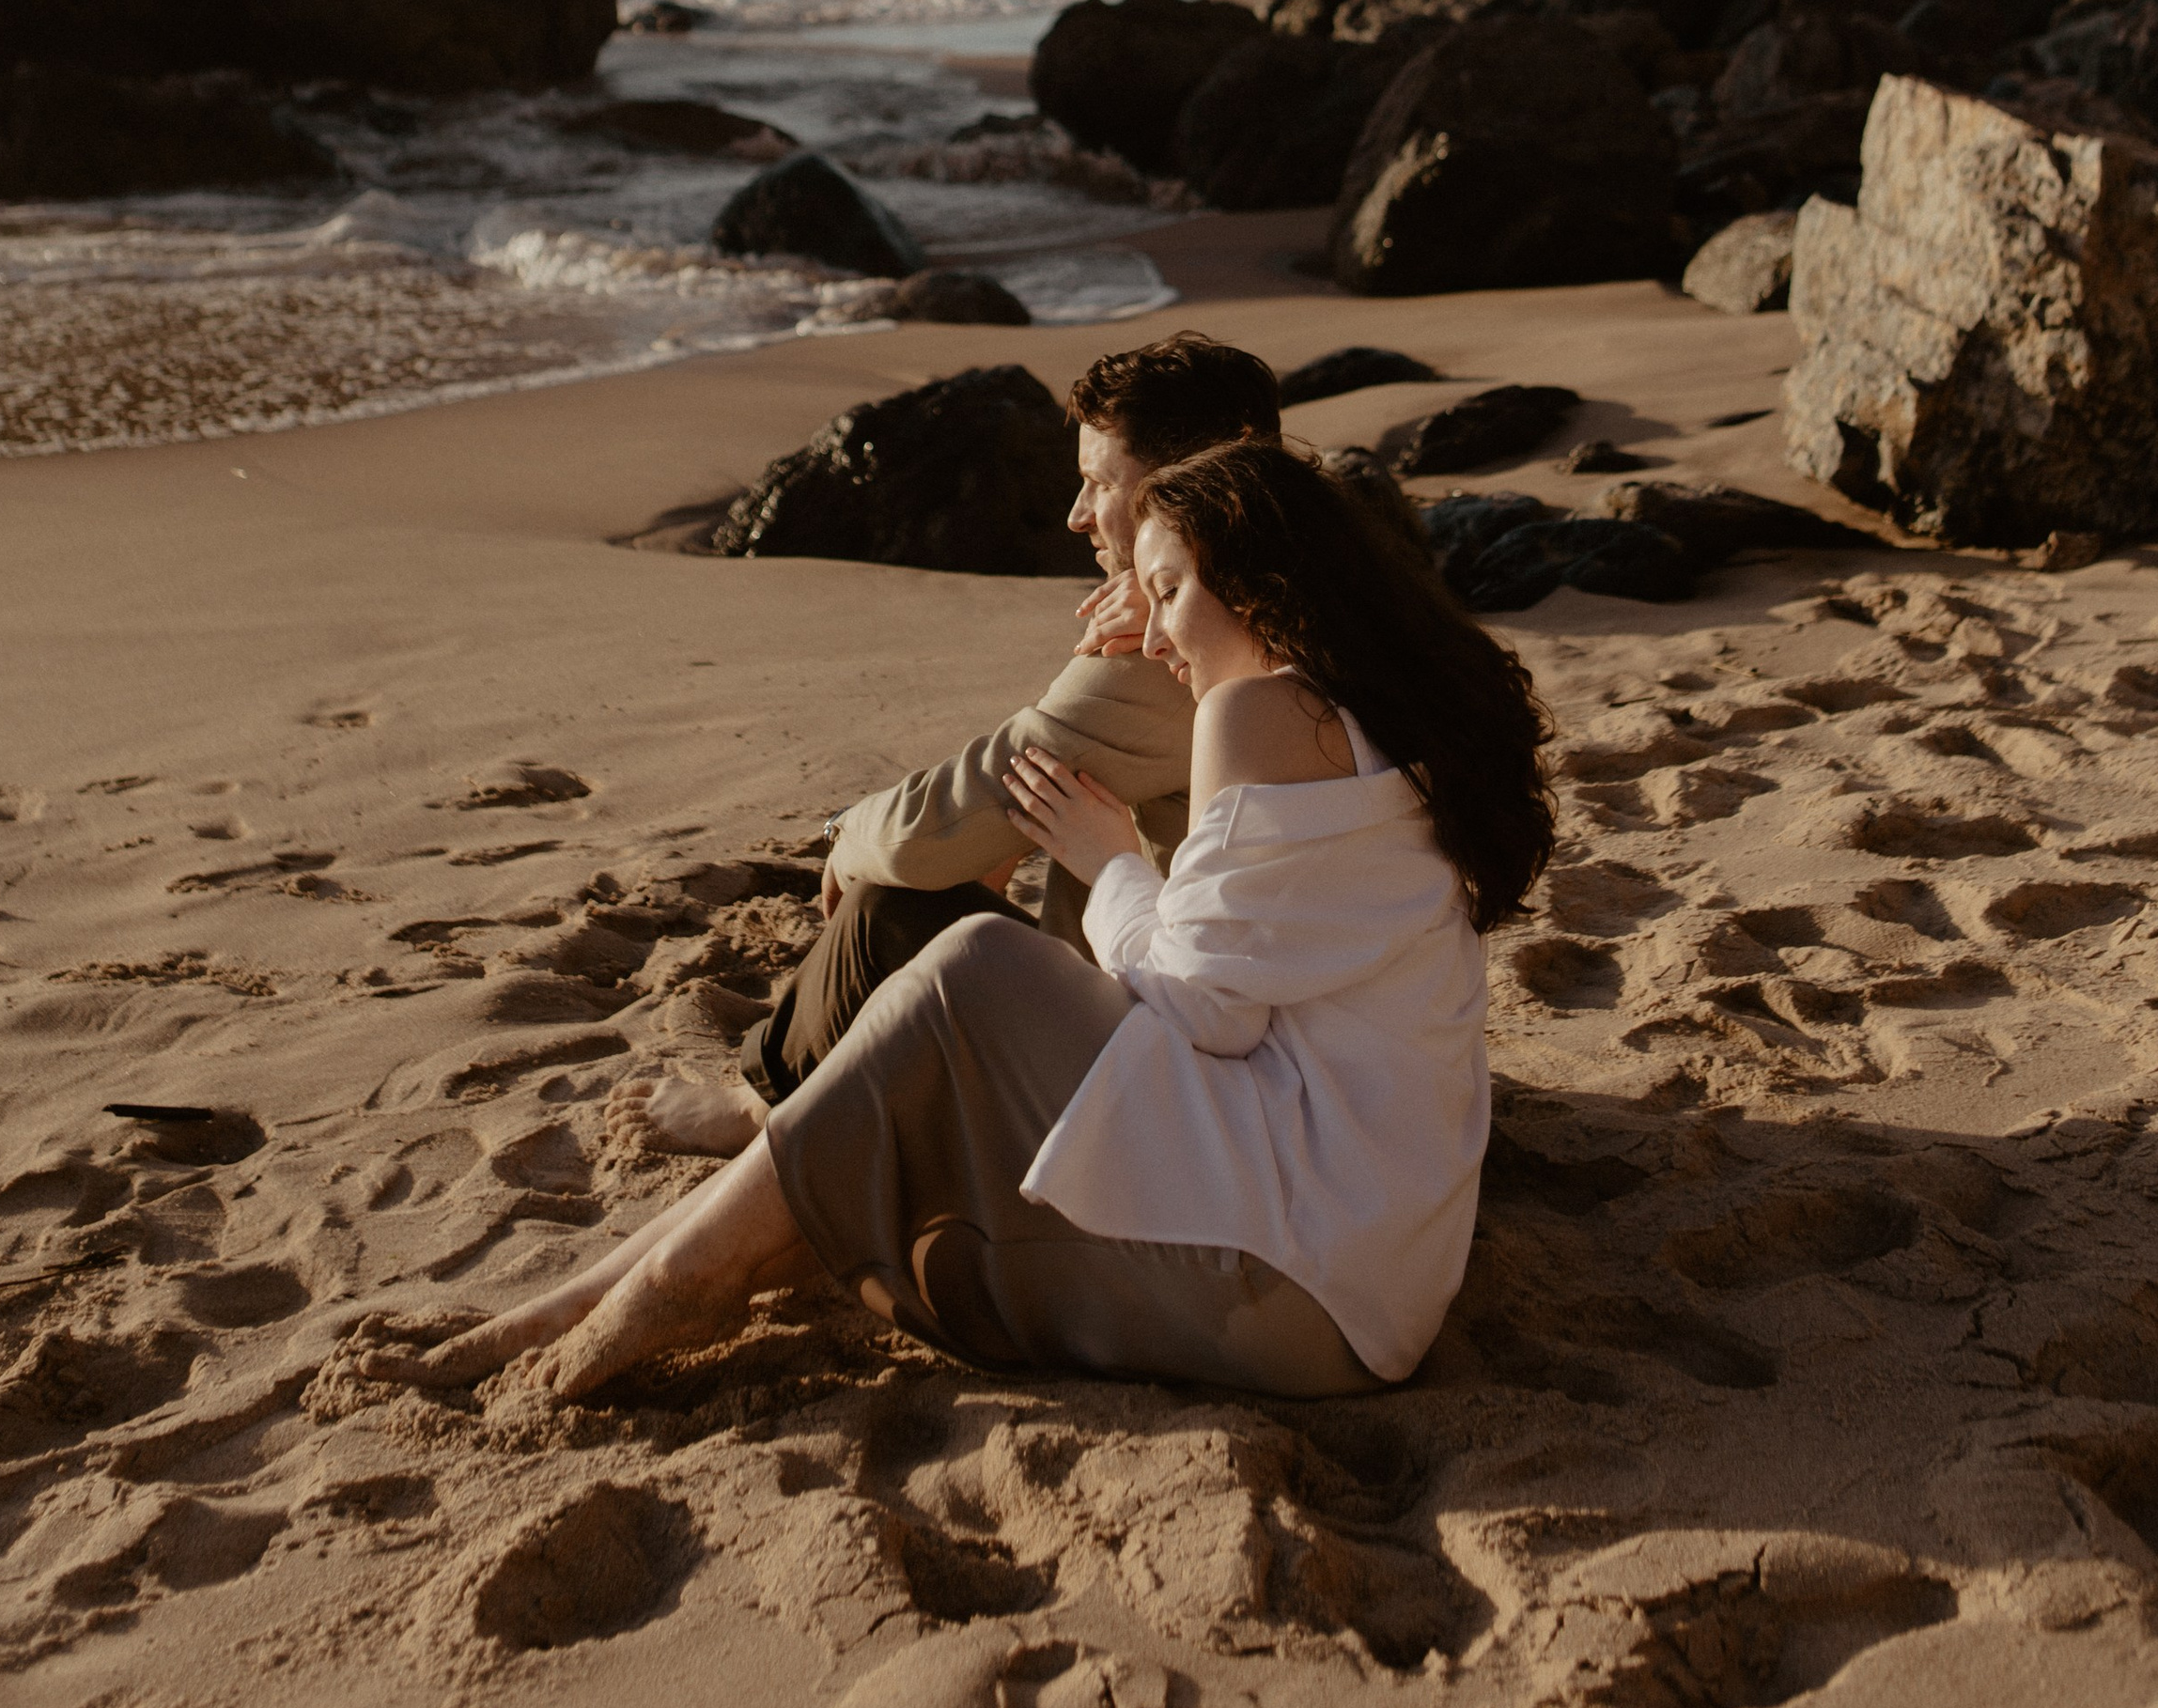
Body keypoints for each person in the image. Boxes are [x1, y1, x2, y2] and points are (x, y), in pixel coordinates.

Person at [359, 436, 1552, 1406]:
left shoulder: (1262, 712)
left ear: (1259, 582)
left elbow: (1205, 1011)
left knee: (973, 959)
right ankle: (633, 1281)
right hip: (1367, 1281)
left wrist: (1110, 860)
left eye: (1171, 593)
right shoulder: (1377, 719)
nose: (1159, 635)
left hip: (1303, 1286)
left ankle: (664, 1278)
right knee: (947, 1024)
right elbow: (1234, 987)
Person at [609, 332, 1282, 1158]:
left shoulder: (1169, 657)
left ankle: (760, 1109)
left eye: (1100, 483)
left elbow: (925, 838)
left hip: (1183, 1051)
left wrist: (843, 835)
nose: (1075, 515)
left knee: (891, 906)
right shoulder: (1321, 602)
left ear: (1190, 487)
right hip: (1272, 1024)